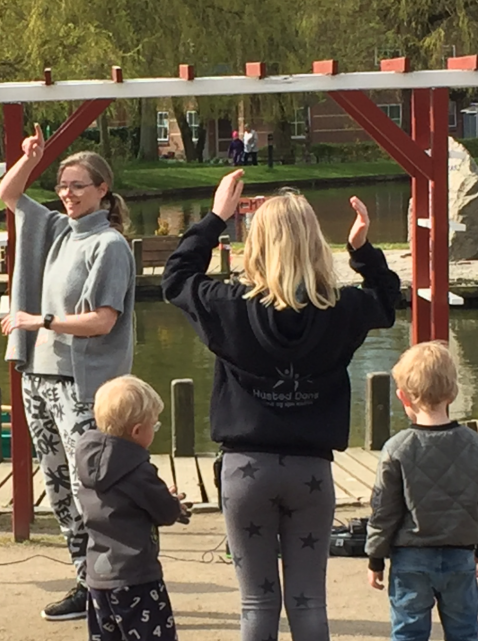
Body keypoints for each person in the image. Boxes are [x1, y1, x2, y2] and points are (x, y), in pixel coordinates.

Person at [162, 169, 401, 641]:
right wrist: (362, 251)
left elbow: (175, 279)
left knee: (256, 602)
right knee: (309, 601)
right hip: (311, 470)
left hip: (244, 468)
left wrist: (214, 219)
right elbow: (388, 300)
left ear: (256, 245)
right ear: (315, 243)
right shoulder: (342, 308)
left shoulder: (225, 304)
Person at [0, 124, 136, 621]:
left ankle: (110, 583)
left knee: (88, 488)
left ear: (102, 190)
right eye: (62, 185)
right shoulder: (55, 229)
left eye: (79, 185)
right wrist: (31, 157)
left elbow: (103, 320)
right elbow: (8, 193)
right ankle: (85, 581)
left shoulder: (110, 245)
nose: (68, 194)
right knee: (56, 487)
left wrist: (42, 319)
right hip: (38, 376)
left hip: (81, 383)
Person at [365, 341, 478, 641]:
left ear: (403, 396)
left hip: (410, 557)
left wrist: (375, 556)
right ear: (453, 392)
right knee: (465, 631)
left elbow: (383, 511)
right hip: (460, 556)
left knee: (409, 633)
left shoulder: (396, 448)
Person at [76, 375, 191, 641]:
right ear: (138, 431)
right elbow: (165, 511)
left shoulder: (87, 461)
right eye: (154, 424)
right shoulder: (138, 469)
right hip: (136, 576)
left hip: (98, 576)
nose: (155, 429)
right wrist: (173, 503)